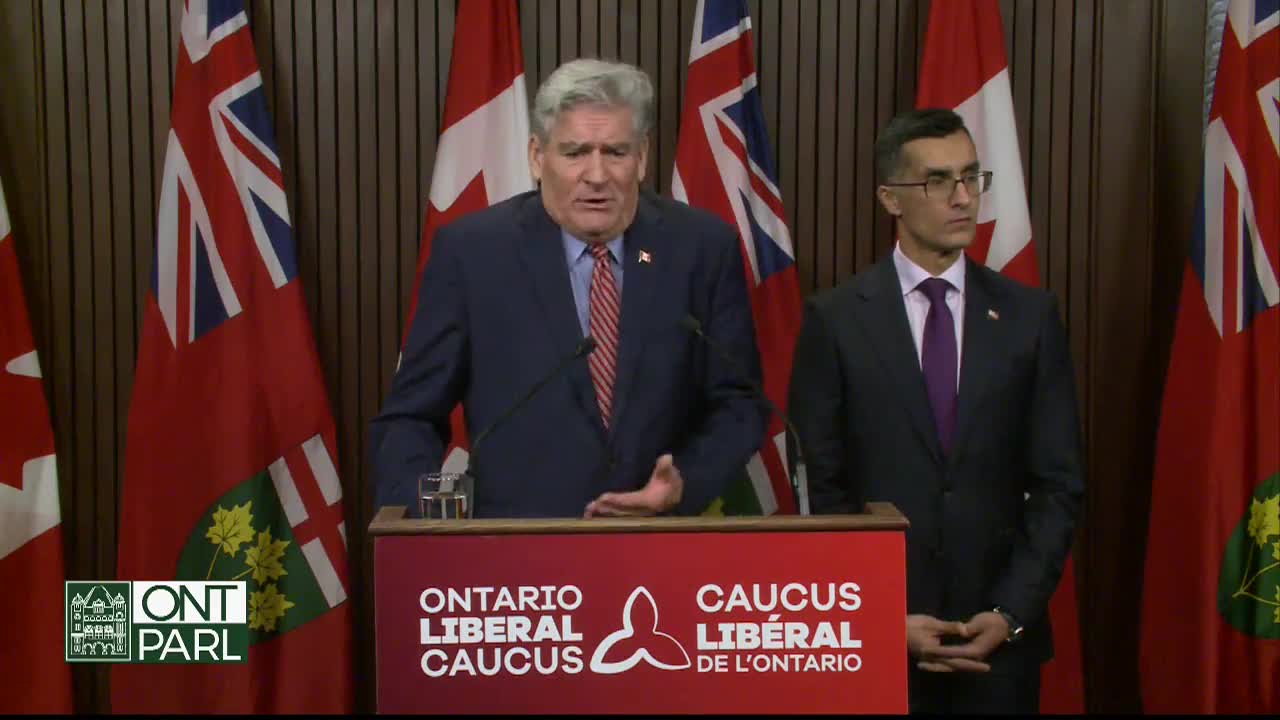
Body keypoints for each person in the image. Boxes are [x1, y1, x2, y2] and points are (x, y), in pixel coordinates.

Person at [370, 58, 766, 519]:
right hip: (514, 555)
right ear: (538, 157)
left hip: (659, 545)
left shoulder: (701, 249)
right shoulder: (473, 254)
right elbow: (410, 417)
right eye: (575, 152)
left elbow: (740, 405)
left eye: (615, 152)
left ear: (641, 157)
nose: (596, 175)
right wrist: (422, 529)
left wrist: (686, 483)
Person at [786, 108, 1084, 713]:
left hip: (999, 649)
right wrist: (879, 618)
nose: (964, 198)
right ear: (890, 197)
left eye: (973, 177)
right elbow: (821, 489)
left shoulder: (1029, 319)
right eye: (940, 181)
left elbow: (1058, 485)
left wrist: (1009, 614)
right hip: (878, 644)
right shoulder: (837, 320)